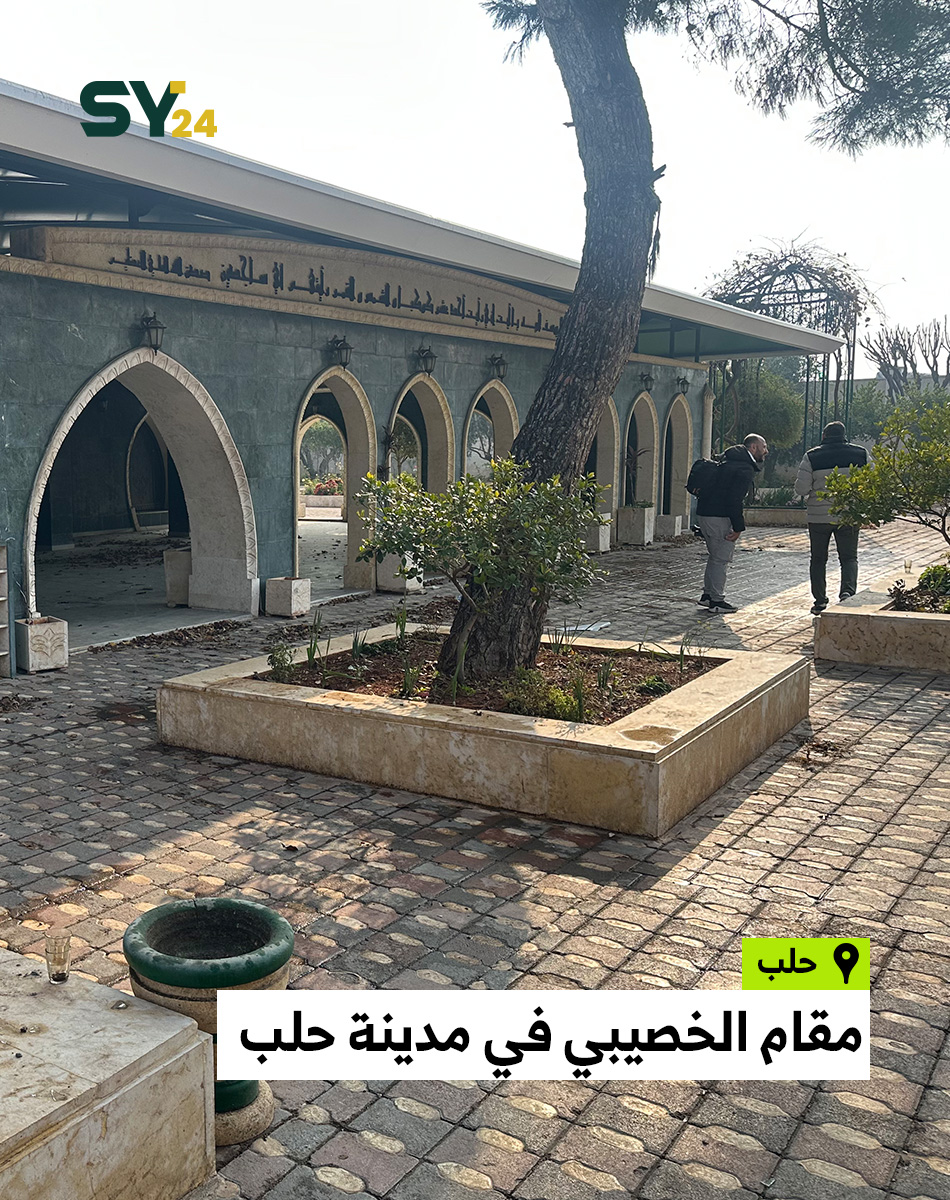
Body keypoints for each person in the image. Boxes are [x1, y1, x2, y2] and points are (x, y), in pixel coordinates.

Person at [795, 420, 868, 614]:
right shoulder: (860, 454)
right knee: (849, 557)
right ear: (844, 435)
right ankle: (847, 593)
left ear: (824, 435)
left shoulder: (812, 456)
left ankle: (820, 601)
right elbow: (872, 481)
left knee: (818, 559)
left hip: (818, 517)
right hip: (848, 515)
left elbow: (801, 489)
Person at [695, 433, 768, 613]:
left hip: (704, 513)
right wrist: (738, 527)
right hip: (719, 517)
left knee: (714, 557)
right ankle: (717, 601)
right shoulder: (744, 468)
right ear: (753, 447)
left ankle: (708, 596)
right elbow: (734, 500)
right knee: (721, 559)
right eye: (764, 447)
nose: (766, 451)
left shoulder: (727, 461)